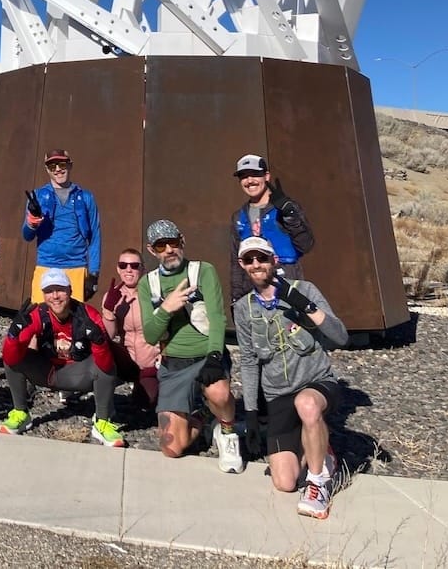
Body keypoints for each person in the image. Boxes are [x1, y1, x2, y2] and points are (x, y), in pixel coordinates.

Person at [234, 236, 348, 519]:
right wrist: (250, 412)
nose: (256, 264)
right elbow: (249, 361)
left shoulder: (304, 289)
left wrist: (303, 305)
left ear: (274, 260)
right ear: (242, 265)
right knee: (284, 483)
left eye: (262, 257)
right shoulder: (243, 308)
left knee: (307, 405)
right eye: (249, 260)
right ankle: (321, 447)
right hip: (278, 394)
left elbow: (340, 336)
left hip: (316, 383)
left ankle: (318, 482)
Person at [138, 219, 242, 473]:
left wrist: (215, 355)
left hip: (206, 355)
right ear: (152, 250)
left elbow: (217, 317)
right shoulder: (147, 284)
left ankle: (227, 432)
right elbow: (151, 336)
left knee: (219, 392)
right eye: (161, 246)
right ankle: (206, 416)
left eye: (172, 242)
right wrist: (165, 308)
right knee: (171, 447)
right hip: (174, 364)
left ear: (182, 241)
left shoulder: (202, 271)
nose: (168, 250)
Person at [0, 269, 125, 447]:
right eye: (49, 291)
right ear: (43, 295)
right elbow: (11, 359)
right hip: (48, 370)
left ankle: (102, 422)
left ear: (70, 291)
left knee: (107, 366)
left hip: (78, 374)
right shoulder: (38, 314)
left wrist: (99, 342)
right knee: (14, 356)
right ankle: (21, 412)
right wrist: (13, 335)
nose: (55, 296)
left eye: (60, 290)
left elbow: (106, 364)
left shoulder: (88, 314)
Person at [229, 154, 314, 303]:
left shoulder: (286, 208)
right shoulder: (238, 217)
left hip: (288, 288)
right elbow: (236, 262)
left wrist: (290, 216)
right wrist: (237, 297)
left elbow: (305, 245)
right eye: (243, 176)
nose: (249, 181)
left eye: (255, 174)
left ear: (266, 176)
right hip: (254, 293)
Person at [22, 149, 101, 304]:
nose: (58, 169)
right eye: (52, 166)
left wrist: (94, 274)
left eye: (62, 164)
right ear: (47, 169)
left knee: (73, 321)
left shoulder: (85, 197)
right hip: (45, 264)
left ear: (70, 165)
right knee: (40, 318)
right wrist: (32, 221)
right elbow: (27, 236)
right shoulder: (36, 197)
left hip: (76, 267)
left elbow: (95, 237)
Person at [100, 249, 160, 412]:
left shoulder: (154, 295)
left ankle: (142, 387)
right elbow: (109, 336)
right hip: (126, 360)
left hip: (150, 361)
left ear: (142, 269)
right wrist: (108, 311)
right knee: (101, 353)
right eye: (123, 265)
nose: (128, 269)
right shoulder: (112, 296)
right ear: (118, 269)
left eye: (134, 265)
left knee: (147, 404)